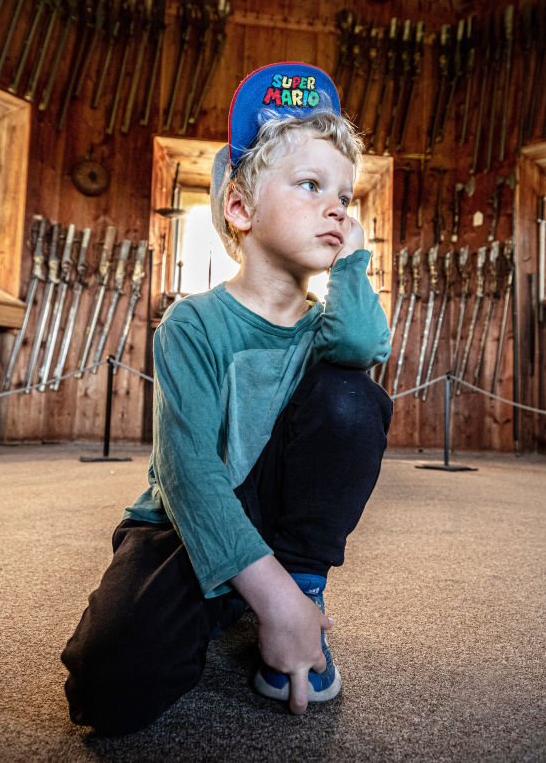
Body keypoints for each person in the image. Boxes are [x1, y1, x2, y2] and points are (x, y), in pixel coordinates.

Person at [60, 62, 393, 736]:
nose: (338, 208)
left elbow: (363, 343)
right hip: (185, 515)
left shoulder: (323, 330)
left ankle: (300, 581)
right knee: (109, 691)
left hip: (277, 516)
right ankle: (253, 594)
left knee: (353, 397)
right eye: (310, 185)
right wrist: (263, 598)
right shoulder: (192, 322)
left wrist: (354, 261)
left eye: (345, 196)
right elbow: (187, 473)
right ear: (240, 207)